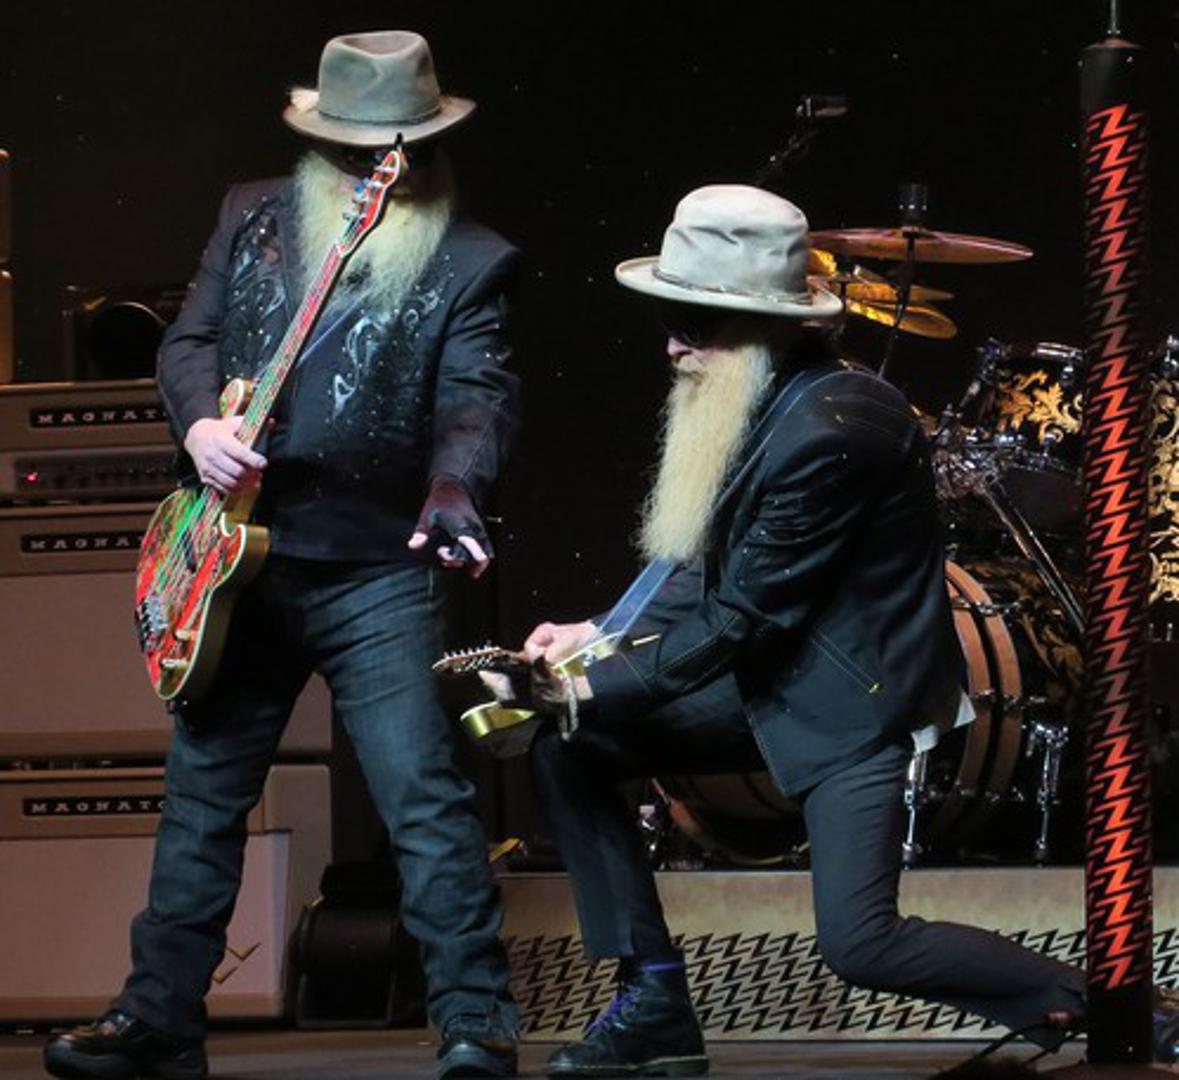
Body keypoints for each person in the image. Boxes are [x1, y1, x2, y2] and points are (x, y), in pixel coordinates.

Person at [513, 184, 1178, 1077]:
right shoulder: (752, 404)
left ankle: (1128, 1013)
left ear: (764, 326)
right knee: (570, 746)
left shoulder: (837, 428)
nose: (672, 346)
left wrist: (587, 687)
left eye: (694, 326)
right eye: (669, 322)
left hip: (846, 701)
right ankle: (655, 1004)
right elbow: (702, 574)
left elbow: (741, 617)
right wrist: (591, 636)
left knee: (861, 944)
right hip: (769, 683)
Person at [44, 31, 520, 1080]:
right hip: (236, 564)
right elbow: (188, 341)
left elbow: (476, 397)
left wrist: (454, 488)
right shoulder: (249, 213)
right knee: (203, 799)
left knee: (422, 797)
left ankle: (476, 1023)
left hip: (375, 567)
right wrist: (198, 428)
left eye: (392, 151)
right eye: (352, 151)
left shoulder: (472, 259)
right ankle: (158, 1022)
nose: (375, 168)